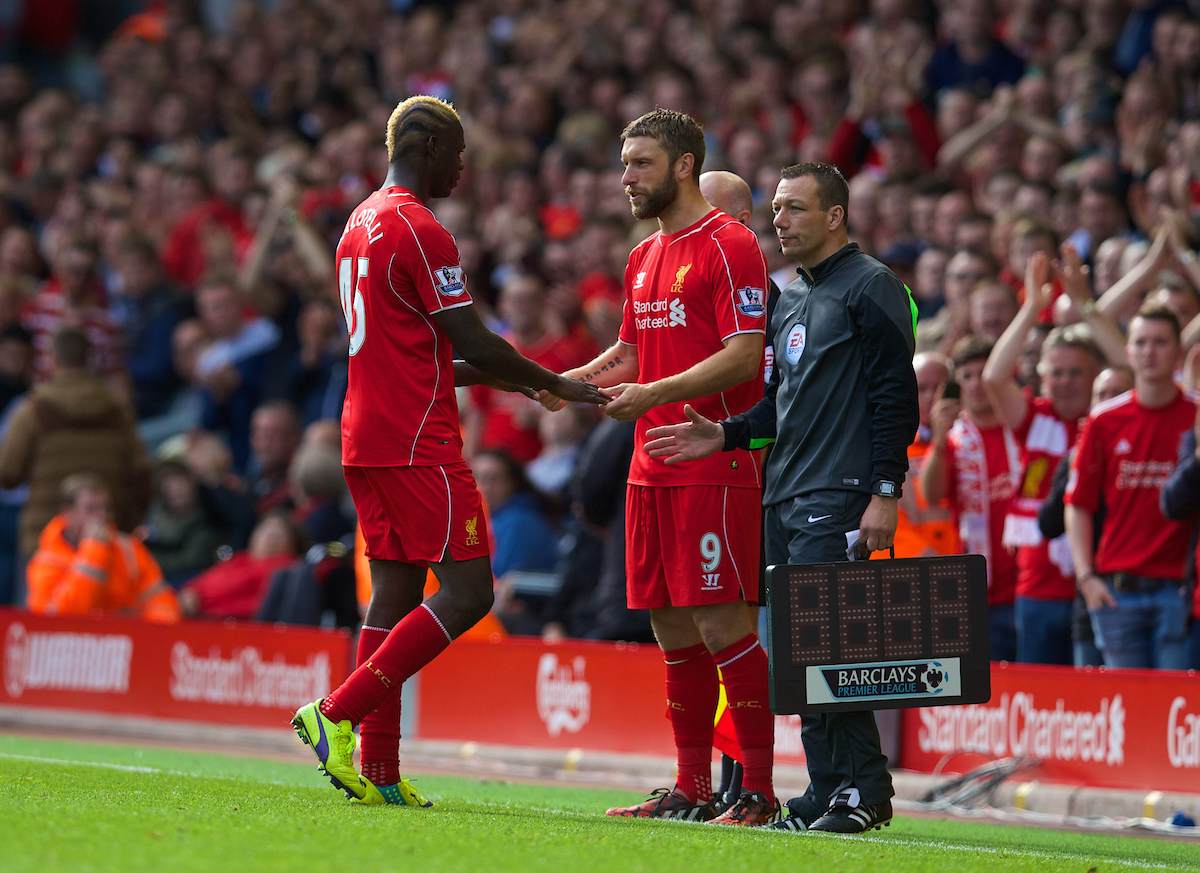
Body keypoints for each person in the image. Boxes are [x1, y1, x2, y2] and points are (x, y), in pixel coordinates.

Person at [289, 95, 604, 809]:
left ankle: (381, 770)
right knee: (469, 592)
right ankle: (334, 712)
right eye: (459, 153)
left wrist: (523, 387)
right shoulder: (420, 228)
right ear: (429, 145)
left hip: (364, 434)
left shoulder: (359, 222)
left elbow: (415, 355)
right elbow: (474, 341)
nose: (464, 167)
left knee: (396, 592)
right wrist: (555, 382)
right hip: (416, 440)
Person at [644, 162, 918, 833]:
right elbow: (779, 405)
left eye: (796, 208)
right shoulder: (792, 296)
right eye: (776, 208)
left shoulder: (872, 285)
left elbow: (895, 398)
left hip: (842, 490)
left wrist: (886, 491)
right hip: (786, 492)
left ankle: (863, 791)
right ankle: (825, 788)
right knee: (801, 657)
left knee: (832, 651)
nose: (781, 221)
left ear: (835, 215)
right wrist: (728, 434)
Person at [541, 110, 775, 826]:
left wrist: (656, 395)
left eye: (640, 163)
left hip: (709, 458)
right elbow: (630, 352)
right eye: (624, 164)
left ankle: (759, 792)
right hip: (650, 467)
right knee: (671, 629)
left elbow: (743, 352)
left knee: (723, 626)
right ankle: (691, 785)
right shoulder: (644, 256)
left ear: (683, 166)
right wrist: (565, 382)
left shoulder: (730, 245)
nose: (626, 178)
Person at [981, 248, 1107, 665]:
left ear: (1095, 377)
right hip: (1036, 591)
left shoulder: (1107, 418)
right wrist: (1033, 307)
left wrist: (1087, 308)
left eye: (1076, 372)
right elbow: (994, 376)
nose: (1066, 382)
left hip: (1096, 585)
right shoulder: (1034, 416)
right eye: (1057, 372)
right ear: (1043, 377)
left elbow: (1129, 366)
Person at [1066, 303, 1197, 669]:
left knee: (1174, 711)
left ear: (1178, 352)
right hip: (1115, 592)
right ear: (1128, 353)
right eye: (1140, 342)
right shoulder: (1103, 419)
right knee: (1127, 710)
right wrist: (1086, 578)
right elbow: (1077, 503)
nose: (1149, 351)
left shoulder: (1197, 414)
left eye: (1160, 342)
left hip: (1179, 593)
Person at [0, 327, 151, 561]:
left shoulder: (33, 409)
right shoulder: (117, 410)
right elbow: (142, 476)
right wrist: (124, 522)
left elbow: (7, 474)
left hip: (45, 538)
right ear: (90, 359)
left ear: (54, 359)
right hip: (105, 535)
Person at [922, 335, 1020, 661]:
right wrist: (938, 440)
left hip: (1031, 590)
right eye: (967, 376)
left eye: (984, 372)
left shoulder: (1025, 425)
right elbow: (932, 496)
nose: (976, 384)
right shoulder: (954, 440)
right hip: (979, 595)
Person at [26, 473, 180, 623]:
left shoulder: (129, 548)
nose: (101, 517)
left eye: (105, 508)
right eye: (91, 509)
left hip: (125, 642)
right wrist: (94, 551)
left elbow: (162, 602)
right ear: (68, 512)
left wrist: (143, 633)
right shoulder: (46, 563)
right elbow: (65, 622)